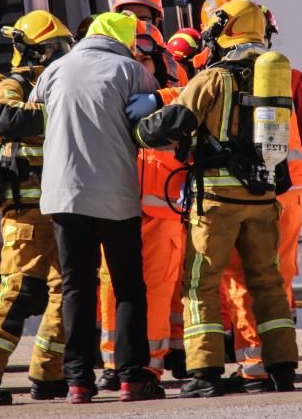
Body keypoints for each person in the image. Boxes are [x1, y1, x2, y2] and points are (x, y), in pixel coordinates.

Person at [134, 0, 299, 398]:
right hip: (261, 200)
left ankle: (204, 373)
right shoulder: (274, 80)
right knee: (267, 283)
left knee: (200, 285)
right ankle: (280, 367)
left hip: (217, 203)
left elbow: (173, 124)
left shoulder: (214, 78)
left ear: (225, 30)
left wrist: (138, 129)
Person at [32, 11, 163, 403]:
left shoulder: (55, 69)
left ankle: (77, 381)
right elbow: (156, 126)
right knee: (127, 287)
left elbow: (35, 111)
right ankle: (131, 378)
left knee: (77, 287)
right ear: (124, 41)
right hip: (116, 198)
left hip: (63, 195)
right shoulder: (132, 72)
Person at [0, 11, 74, 406]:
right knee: (19, 290)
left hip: (59, 205)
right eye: (53, 50)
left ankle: (48, 374)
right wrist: (59, 111)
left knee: (66, 291)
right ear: (28, 52)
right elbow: (1, 119)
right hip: (26, 209)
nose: (60, 57)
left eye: (64, 49)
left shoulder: (52, 86)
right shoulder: (14, 85)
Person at [220, 5, 302, 391]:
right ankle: (281, 361)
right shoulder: (288, 76)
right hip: (289, 188)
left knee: (239, 274)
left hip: (239, 193)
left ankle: (253, 365)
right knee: (277, 276)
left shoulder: (214, 76)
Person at [98, 19, 188, 391]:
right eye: (130, 58)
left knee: (156, 289)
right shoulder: (108, 93)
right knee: (109, 286)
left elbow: (196, 94)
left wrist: (159, 99)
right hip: (116, 208)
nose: (136, 66)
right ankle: (112, 364)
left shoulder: (174, 94)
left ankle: (149, 367)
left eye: (144, 60)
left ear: (160, 62)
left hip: (162, 213)